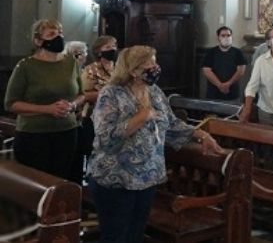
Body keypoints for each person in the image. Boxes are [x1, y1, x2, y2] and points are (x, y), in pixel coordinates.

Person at [88, 45, 223, 243]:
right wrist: (141, 117)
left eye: (155, 61)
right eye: (148, 64)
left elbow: (171, 124)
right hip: (115, 179)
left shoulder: (155, 92)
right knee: (116, 237)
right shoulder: (112, 94)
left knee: (135, 235)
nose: (155, 67)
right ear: (133, 71)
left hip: (148, 177)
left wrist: (201, 135)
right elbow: (105, 137)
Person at [4, 19, 85, 181]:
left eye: (60, 33)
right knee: (38, 182)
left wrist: (72, 105)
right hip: (34, 135)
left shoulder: (70, 62)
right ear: (38, 41)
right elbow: (11, 103)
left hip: (67, 131)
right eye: (52, 34)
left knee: (62, 180)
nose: (59, 37)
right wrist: (48, 109)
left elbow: (81, 94)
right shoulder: (26, 66)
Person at [71, 35, 119, 182]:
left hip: (117, 120)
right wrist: (107, 94)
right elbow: (83, 95)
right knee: (95, 154)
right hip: (94, 118)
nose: (112, 49)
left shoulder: (119, 69)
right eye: (108, 47)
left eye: (114, 46)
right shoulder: (91, 70)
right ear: (99, 52)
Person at [202, 26, 246, 101]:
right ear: (218, 37)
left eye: (228, 35)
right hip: (213, 92)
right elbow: (206, 70)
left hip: (232, 92)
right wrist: (220, 85)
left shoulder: (238, 52)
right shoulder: (211, 52)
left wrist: (227, 84)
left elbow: (241, 71)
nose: (226, 37)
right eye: (223, 35)